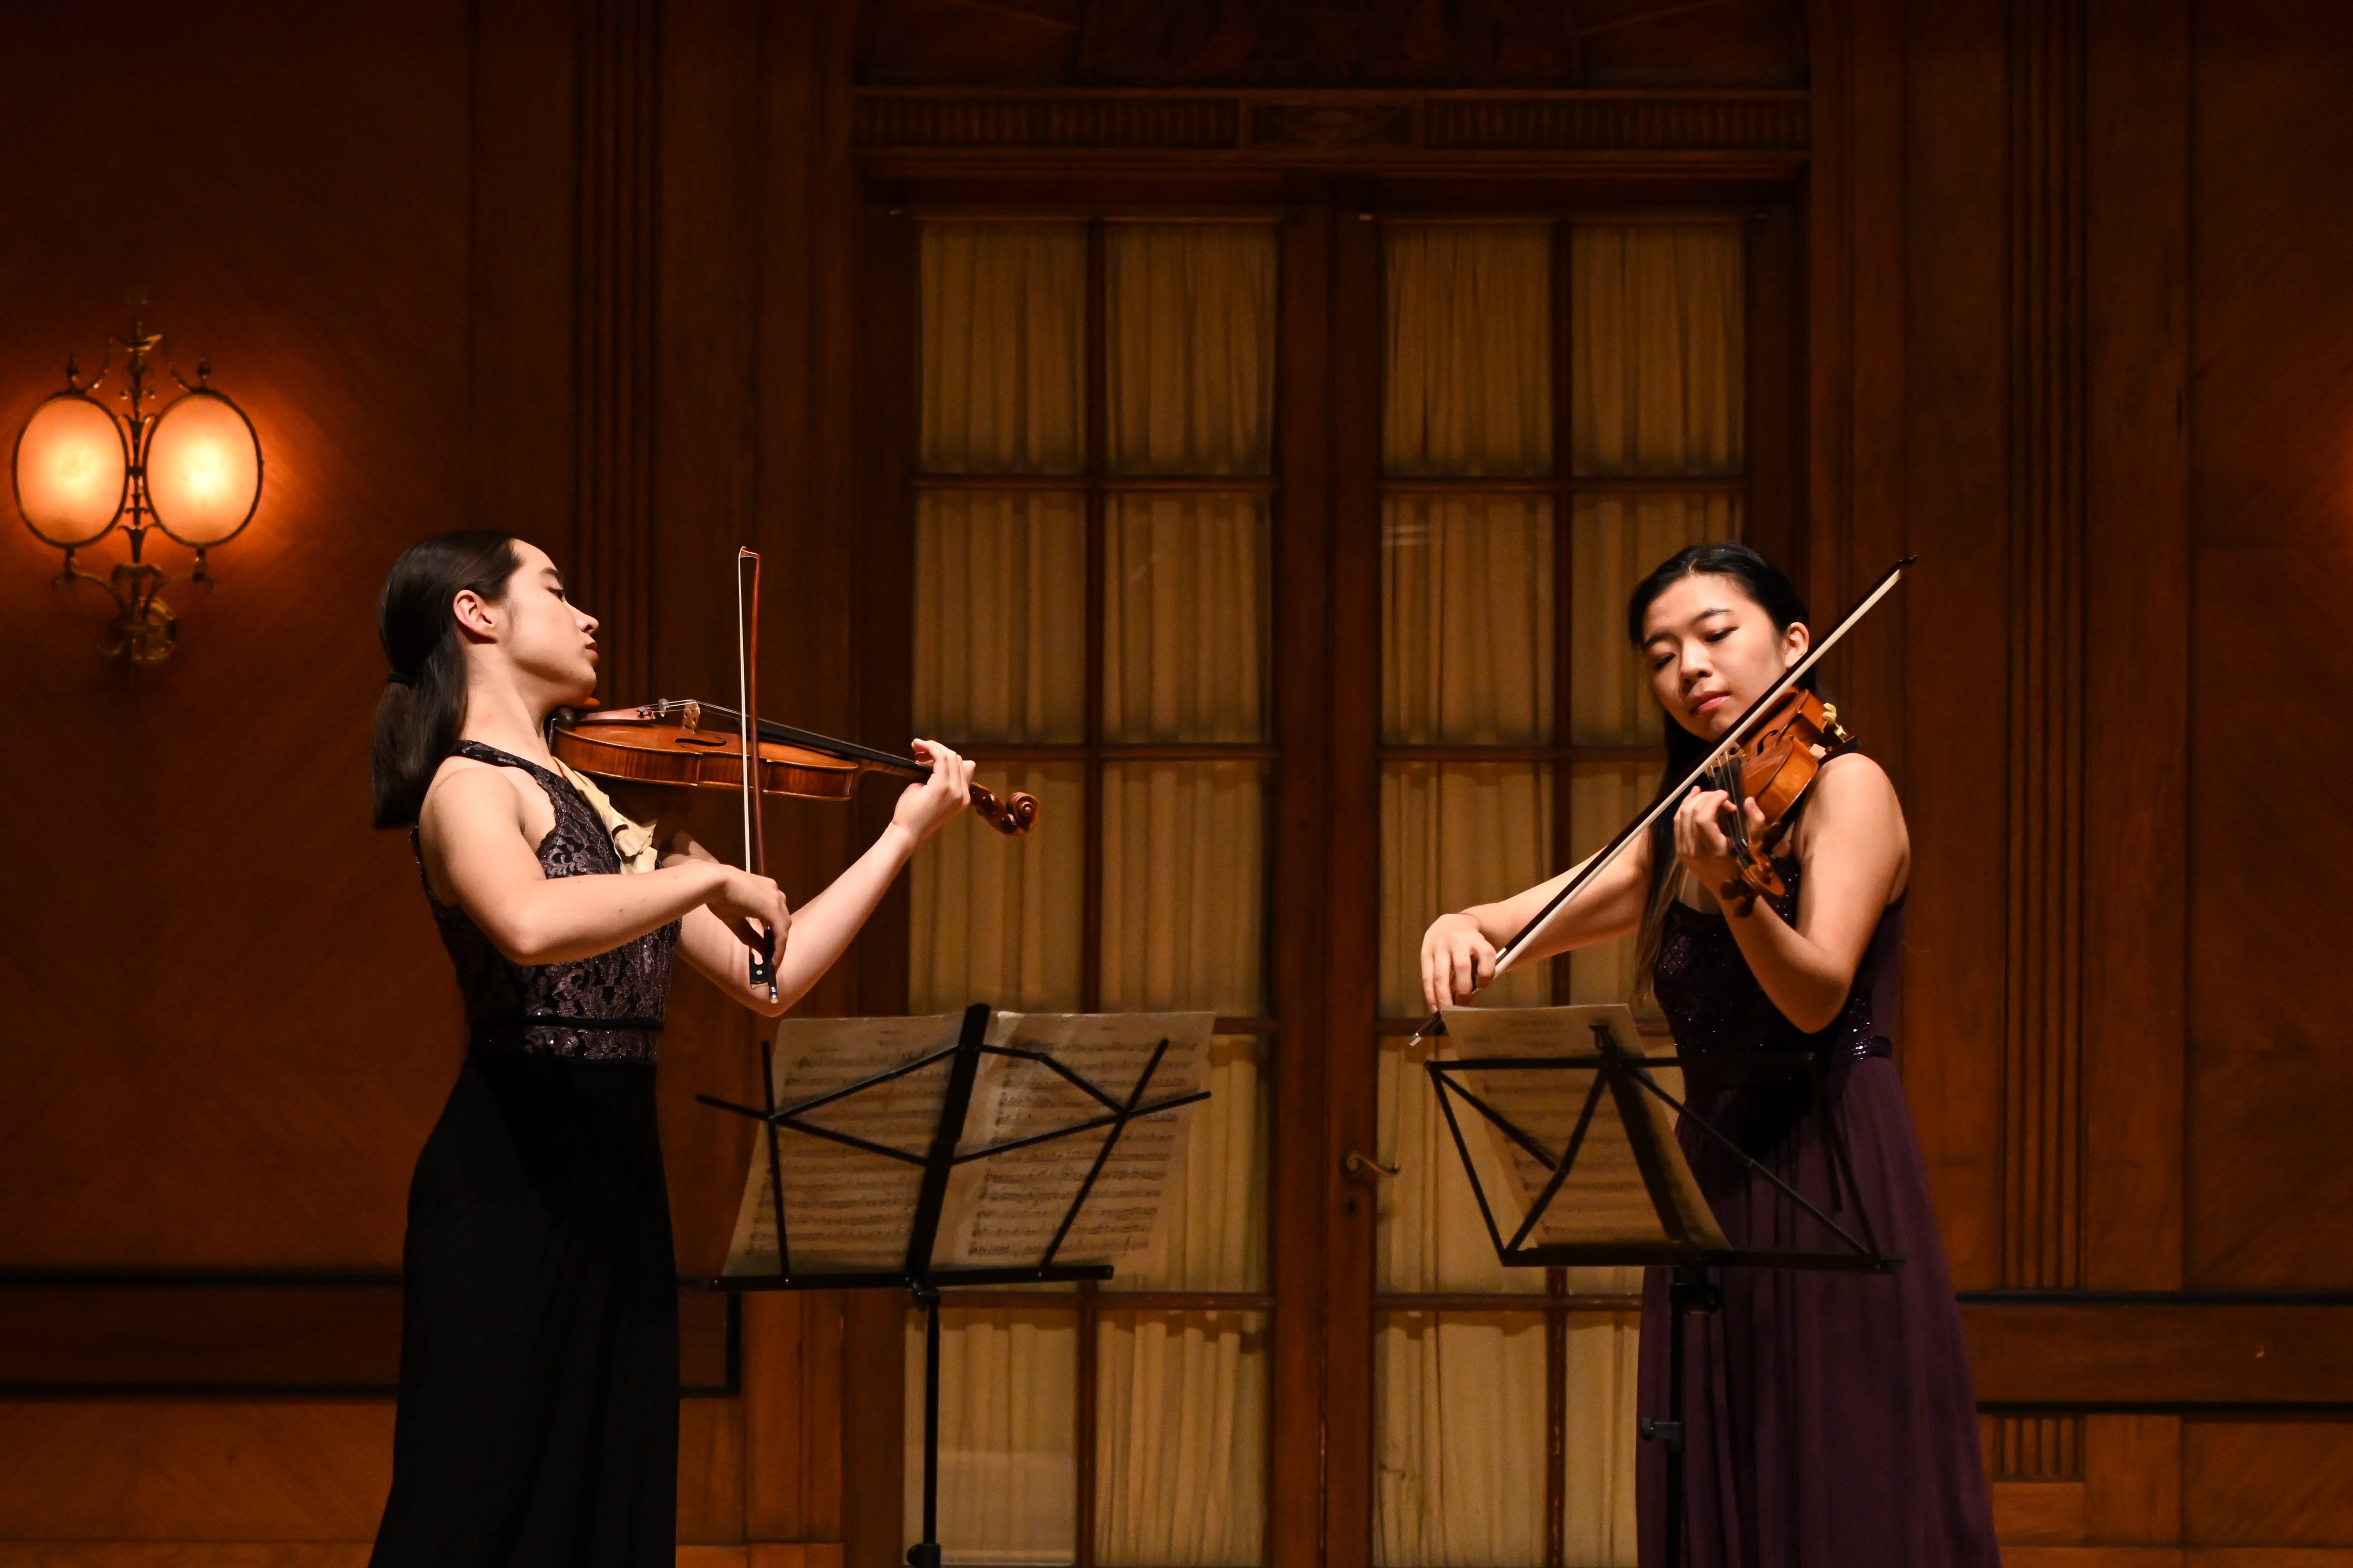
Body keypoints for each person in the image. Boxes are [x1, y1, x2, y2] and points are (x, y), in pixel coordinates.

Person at [365, 531, 976, 1568]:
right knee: (470, 1519)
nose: (588, 614)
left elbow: (769, 978)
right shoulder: (468, 786)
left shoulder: (600, 803)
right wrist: (703, 876)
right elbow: (526, 921)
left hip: (618, 1185)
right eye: (556, 590)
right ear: (477, 614)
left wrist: (903, 834)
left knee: (609, 1512)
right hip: (508, 1190)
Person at [1418, 542, 1998, 1568]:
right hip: (1715, 1170)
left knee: (1839, 1480)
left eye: (1715, 633)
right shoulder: (1690, 820)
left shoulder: (1846, 787)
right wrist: (1462, 924)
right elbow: (1524, 919)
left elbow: (1817, 995)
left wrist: (1733, 888)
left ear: (1794, 642)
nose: (1688, 666)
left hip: (1829, 1159)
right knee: (1720, 1467)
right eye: (1660, 652)